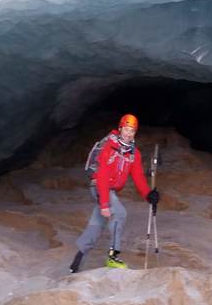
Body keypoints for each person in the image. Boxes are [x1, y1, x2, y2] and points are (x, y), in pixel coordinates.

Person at [69, 113, 161, 272]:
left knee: (97, 223)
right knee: (119, 213)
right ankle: (113, 256)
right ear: (120, 129)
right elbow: (103, 175)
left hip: (109, 190)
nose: (128, 133)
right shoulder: (109, 147)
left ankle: (78, 258)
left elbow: (138, 176)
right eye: (126, 129)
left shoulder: (134, 153)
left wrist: (148, 195)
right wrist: (104, 202)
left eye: (132, 131)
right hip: (98, 186)